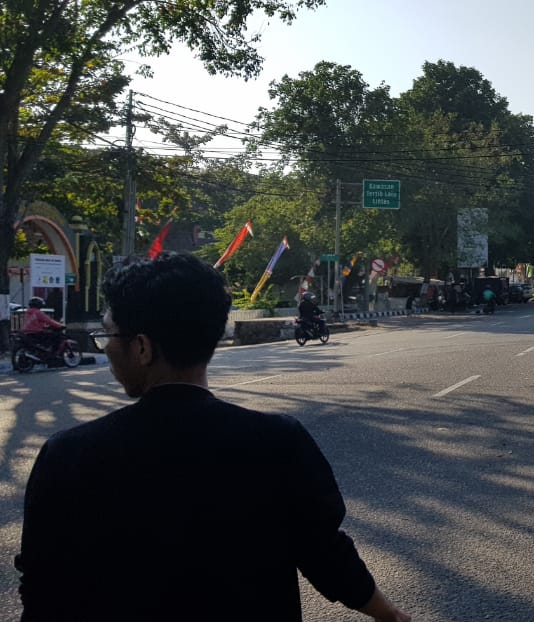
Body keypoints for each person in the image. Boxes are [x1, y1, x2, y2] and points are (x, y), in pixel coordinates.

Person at [15, 252, 410, 622]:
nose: (108, 349)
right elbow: (325, 554)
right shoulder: (277, 442)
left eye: (109, 336)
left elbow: (43, 588)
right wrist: (389, 614)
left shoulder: (69, 455)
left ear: (142, 347)